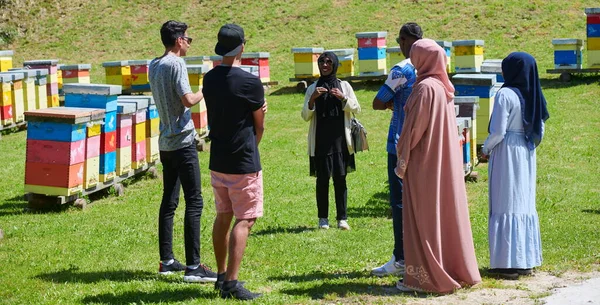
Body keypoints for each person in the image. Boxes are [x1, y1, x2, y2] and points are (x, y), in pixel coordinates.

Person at [394, 39, 481, 293]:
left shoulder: (424, 89)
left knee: (423, 218)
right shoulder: (443, 87)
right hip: (443, 163)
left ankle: (426, 278)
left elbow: (412, 132)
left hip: (424, 163)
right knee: (442, 215)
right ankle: (452, 268)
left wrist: (402, 155)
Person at [149, 20, 217, 283]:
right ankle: (193, 267)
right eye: (188, 39)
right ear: (178, 40)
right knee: (195, 201)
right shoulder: (176, 64)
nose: (189, 43)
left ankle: (166, 261)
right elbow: (187, 100)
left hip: (165, 142)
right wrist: (204, 90)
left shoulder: (153, 64)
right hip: (183, 141)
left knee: (169, 201)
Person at [203, 23, 266, 301]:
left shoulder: (209, 78)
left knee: (223, 215)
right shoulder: (250, 82)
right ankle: (232, 282)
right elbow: (259, 126)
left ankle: (219, 275)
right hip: (242, 161)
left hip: (218, 159)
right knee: (245, 219)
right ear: (242, 47)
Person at [482, 52, 548, 280]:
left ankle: (506, 263)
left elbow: (498, 131)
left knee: (504, 201)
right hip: (526, 149)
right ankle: (524, 260)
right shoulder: (535, 94)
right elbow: (541, 128)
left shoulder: (505, 94)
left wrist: (485, 149)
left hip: (507, 150)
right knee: (523, 201)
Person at [371, 22, 422, 277]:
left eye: (402, 40)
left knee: (399, 203)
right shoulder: (429, 67)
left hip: (399, 143)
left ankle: (401, 257)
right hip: (423, 145)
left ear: (409, 41)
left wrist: (393, 103)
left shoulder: (401, 70)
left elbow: (377, 102)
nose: (400, 45)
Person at [301, 52, 361, 231]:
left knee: (340, 179)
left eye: (328, 62)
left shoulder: (344, 86)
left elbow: (357, 108)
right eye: (322, 62)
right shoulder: (313, 88)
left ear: (335, 65)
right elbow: (305, 116)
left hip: (341, 140)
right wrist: (312, 100)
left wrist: (343, 98)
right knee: (322, 180)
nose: (325, 65)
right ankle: (323, 219)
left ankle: (342, 218)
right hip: (320, 140)